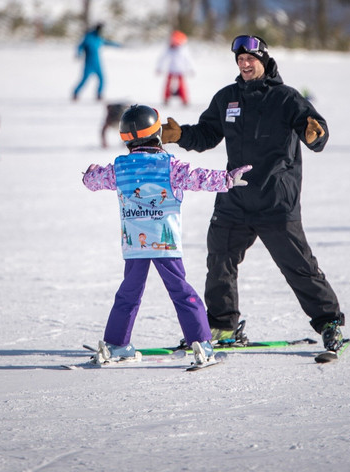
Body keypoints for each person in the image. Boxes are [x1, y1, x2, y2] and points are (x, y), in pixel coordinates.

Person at [160, 34, 348, 358]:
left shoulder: (287, 98)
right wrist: (180, 136)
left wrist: (315, 134)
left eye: (251, 59)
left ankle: (329, 323)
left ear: (263, 60)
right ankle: (221, 326)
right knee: (219, 260)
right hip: (234, 197)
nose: (245, 65)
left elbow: (314, 129)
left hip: (275, 200)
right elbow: (207, 134)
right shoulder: (227, 98)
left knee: (298, 266)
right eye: (240, 60)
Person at [82, 104, 251, 366]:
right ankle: (202, 345)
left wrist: (91, 174)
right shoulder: (169, 166)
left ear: (125, 137)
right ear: (157, 133)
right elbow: (199, 178)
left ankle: (116, 345)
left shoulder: (121, 167)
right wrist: (227, 180)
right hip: (165, 244)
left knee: (128, 294)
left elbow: (94, 181)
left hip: (134, 246)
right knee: (182, 292)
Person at [72, 23, 121, 101]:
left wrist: (118, 45)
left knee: (102, 79)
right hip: (89, 63)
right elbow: (80, 46)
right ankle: (75, 93)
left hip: (97, 63)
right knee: (84, 79)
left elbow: (107, 42)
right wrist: (79, 53)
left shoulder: (99, 38)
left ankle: (99, 94)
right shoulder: (88, 37)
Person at [156, 30, 196, 105]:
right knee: (168, 85)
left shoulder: (183, 50)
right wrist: (159, 68)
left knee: (182, 86)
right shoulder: (169, 49)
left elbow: (189, 60)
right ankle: (166, 98)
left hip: (180, 70)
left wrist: (191, 68)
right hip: (171, 70)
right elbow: (162, 58)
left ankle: (184, 99)